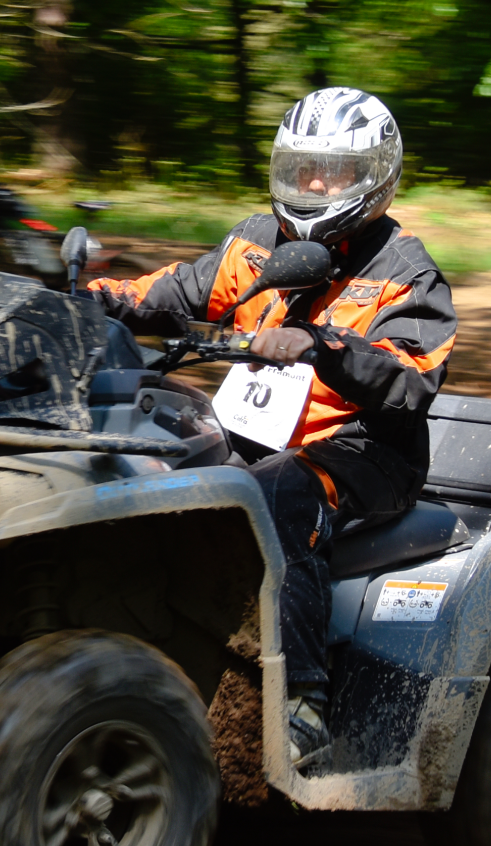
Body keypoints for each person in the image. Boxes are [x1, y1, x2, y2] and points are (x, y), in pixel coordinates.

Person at [82, 88, 457, 765]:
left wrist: (323, 345)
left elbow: (410, 378)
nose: (313, 185)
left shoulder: (405, 272)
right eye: (303, 168)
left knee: (281, 495)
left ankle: (303, 703)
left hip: (365, 448)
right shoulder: (259, 242)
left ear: (375, 177)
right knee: (147, 453)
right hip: (254, 433)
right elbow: (175, 291)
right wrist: (90, 298)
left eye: (334, 173)